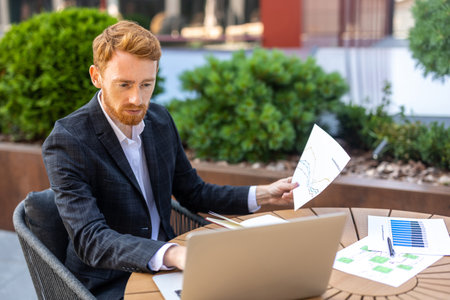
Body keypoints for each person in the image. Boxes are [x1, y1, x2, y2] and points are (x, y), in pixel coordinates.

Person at [42, 20, 297, 299]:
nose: (136, 99)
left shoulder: (160, 121)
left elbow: (195, 193)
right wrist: (174, 254)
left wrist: (264, 193)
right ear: (96, 76)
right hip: (109, 284)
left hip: (168, 269)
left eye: (146, 84)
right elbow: (90, 238)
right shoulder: (67, 140)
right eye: (124, 84)